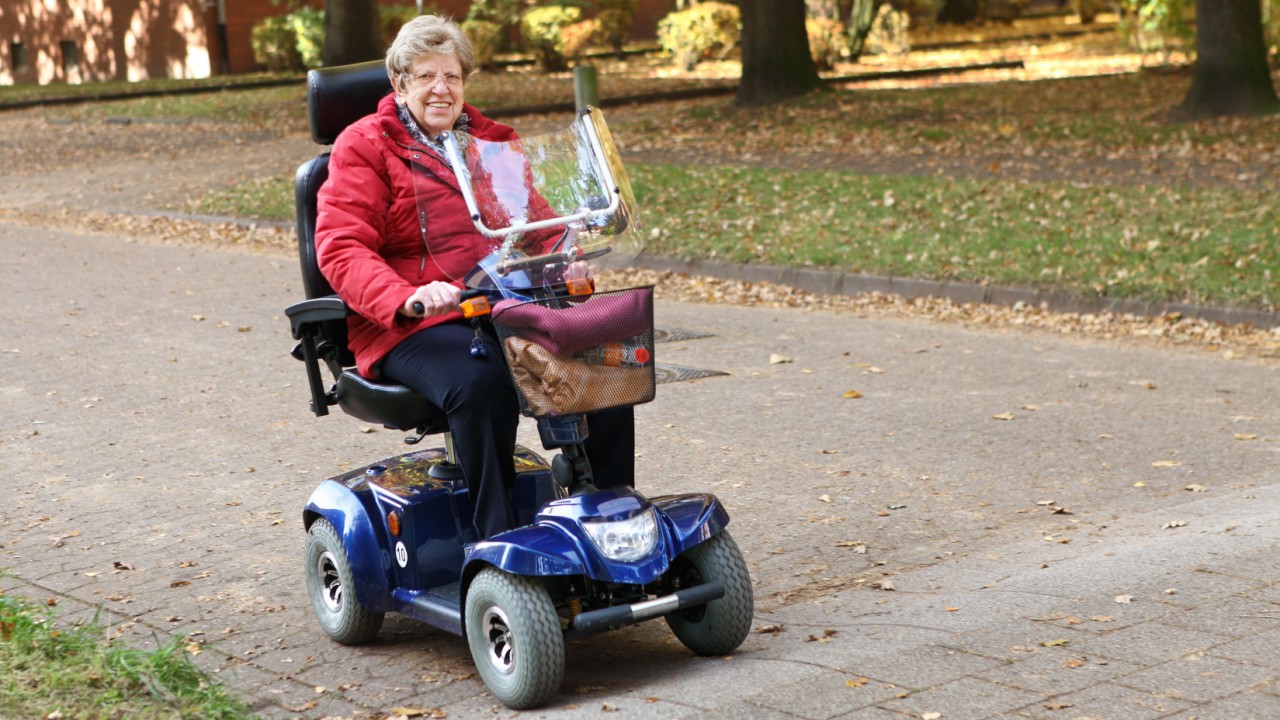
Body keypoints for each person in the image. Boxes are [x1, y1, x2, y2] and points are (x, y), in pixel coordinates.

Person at [315, 15, 635, 541]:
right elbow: (342, 247)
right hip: (413, 322)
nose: (441, 89)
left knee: (603, 361)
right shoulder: (365, 145)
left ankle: (610, 519)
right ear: (399, 83)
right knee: (482, 383)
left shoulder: (493, 143)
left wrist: (564, 260)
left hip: (501, 306)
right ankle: (500, 541)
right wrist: (409, 297)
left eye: (453, 77)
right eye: (425, 76)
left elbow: (536, 227)